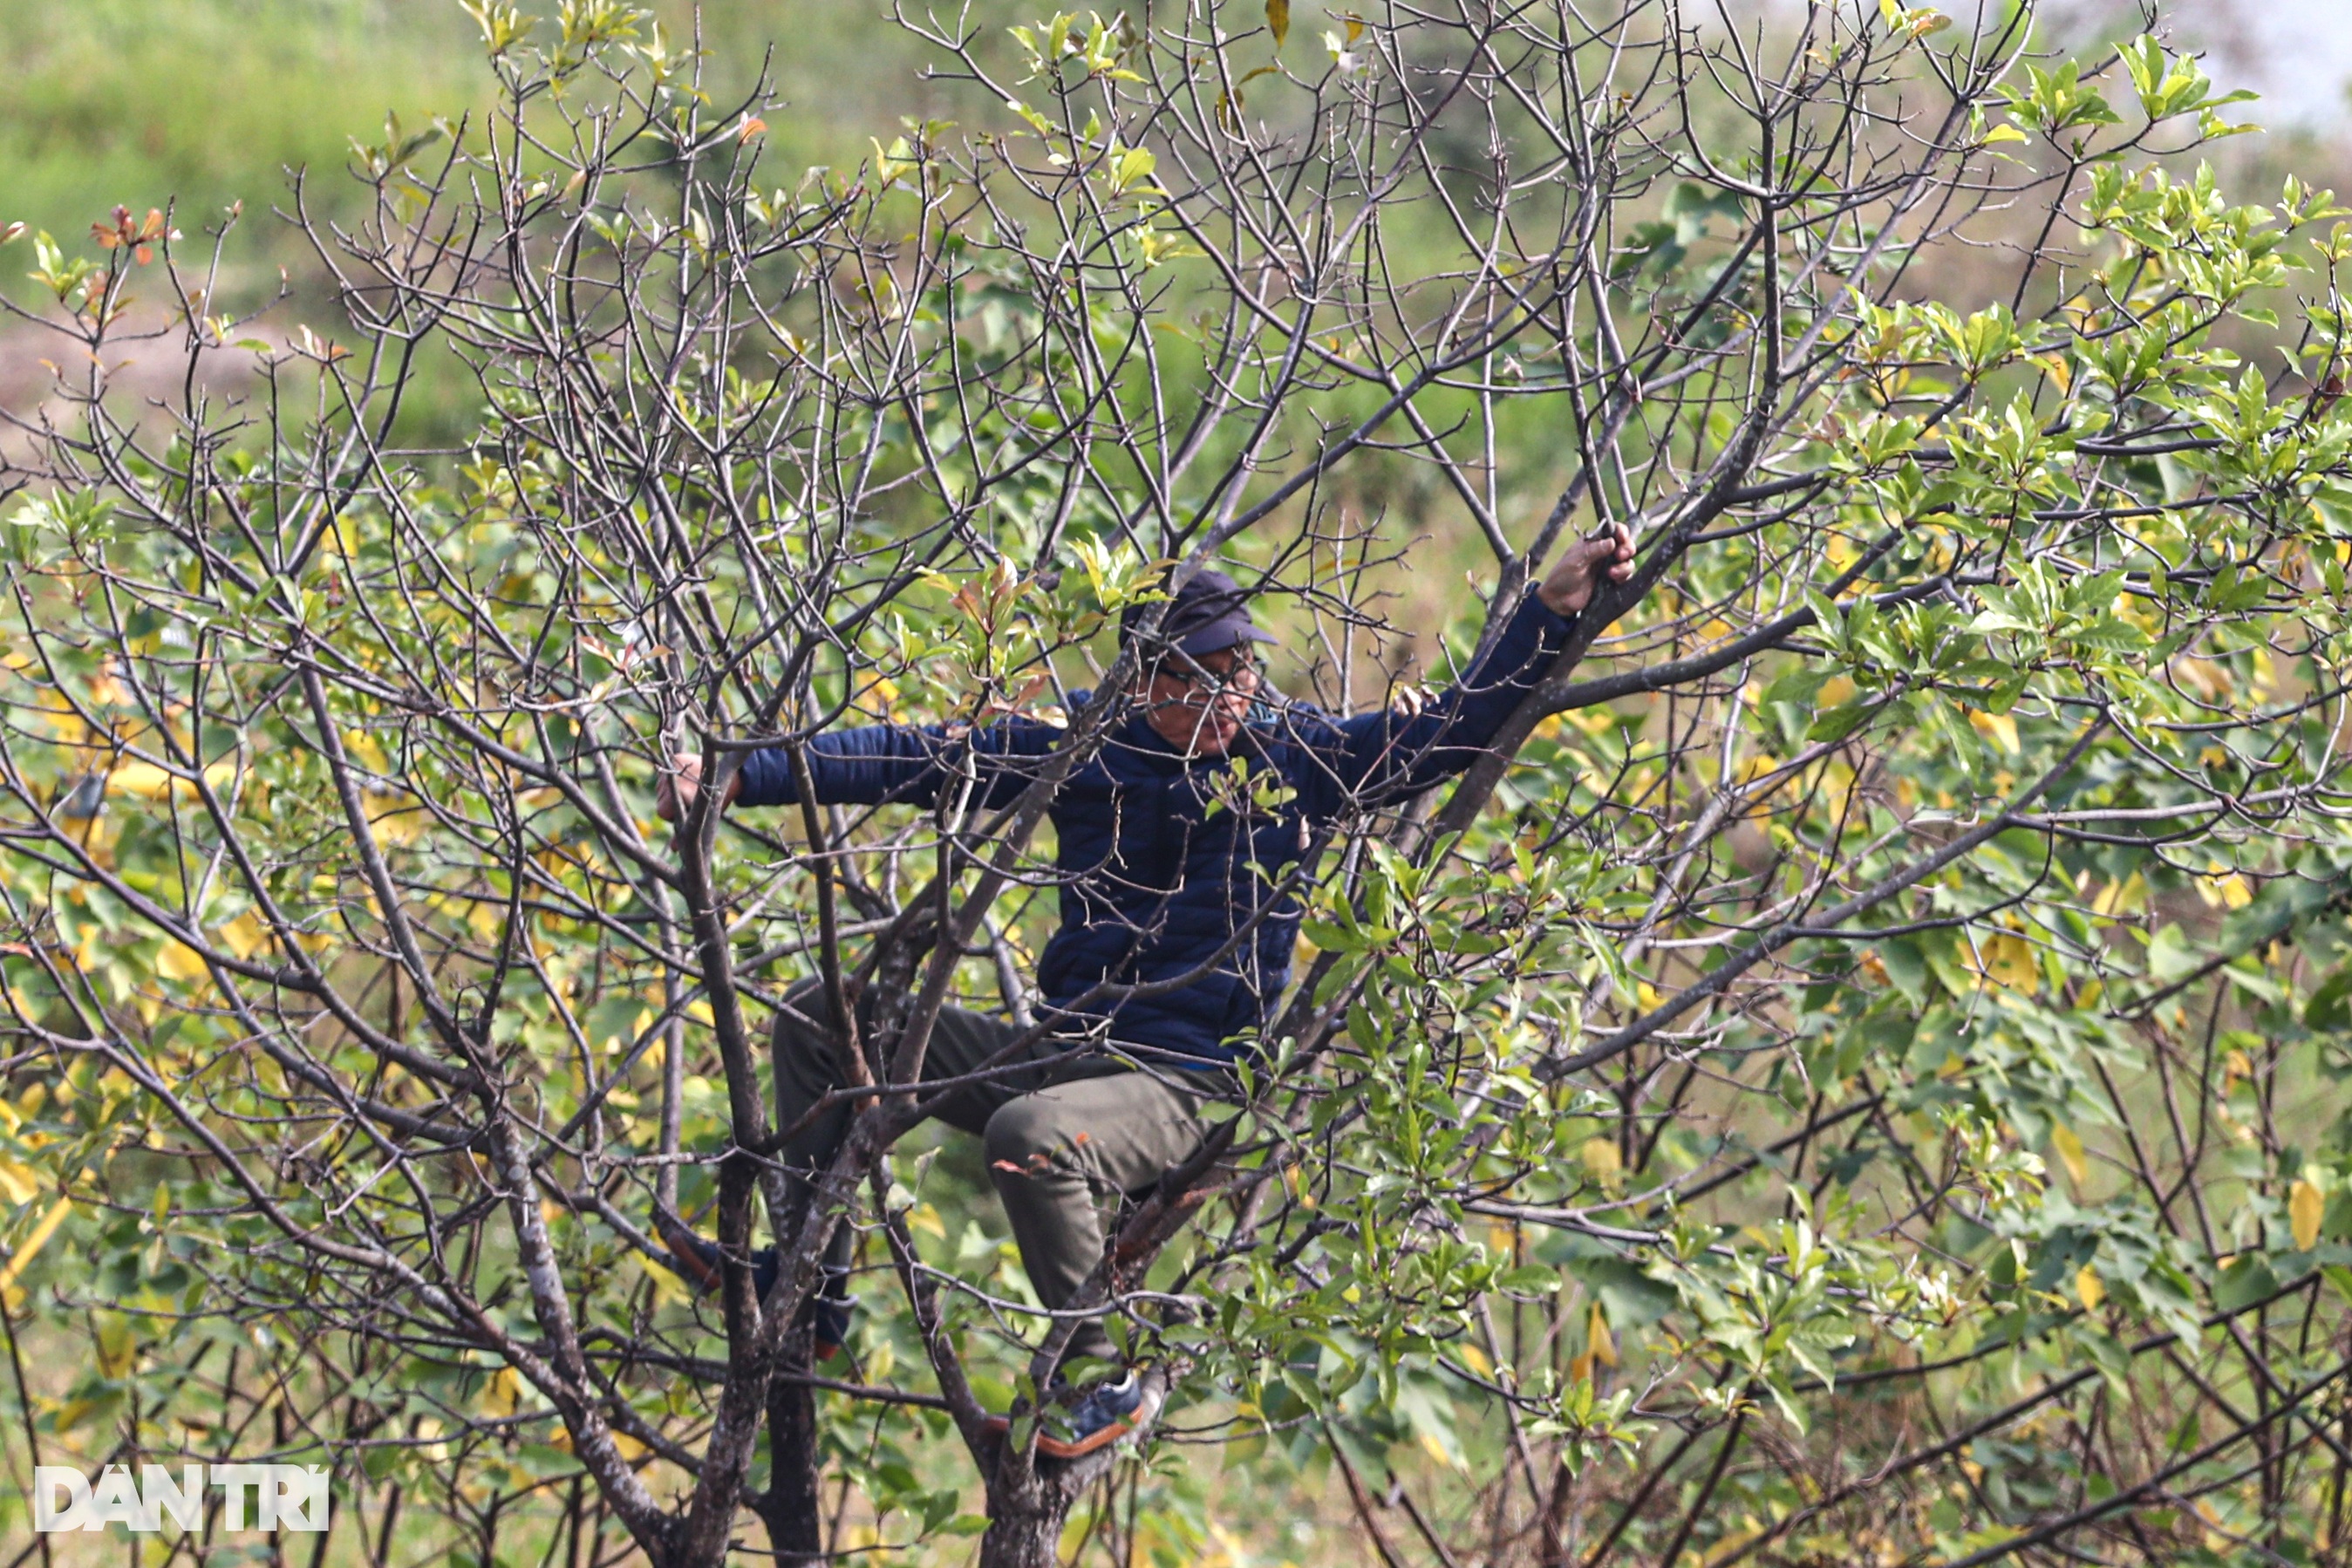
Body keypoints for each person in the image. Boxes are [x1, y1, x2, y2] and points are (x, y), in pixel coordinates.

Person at [656, 529, 1634, 1456]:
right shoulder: (1085, 745)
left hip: (1192, 1085)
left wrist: (1547, 612)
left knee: (1030, 1138)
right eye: (1198, 675)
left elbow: (1454, 735)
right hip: (1070, 1054)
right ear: (1144, 679)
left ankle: (1097, 1381)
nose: (1228, 694)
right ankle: (809, 1291)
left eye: (1241, 669)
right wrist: (745, 775)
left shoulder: (1295, 756)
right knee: (824, 1018)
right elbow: (918, 757)